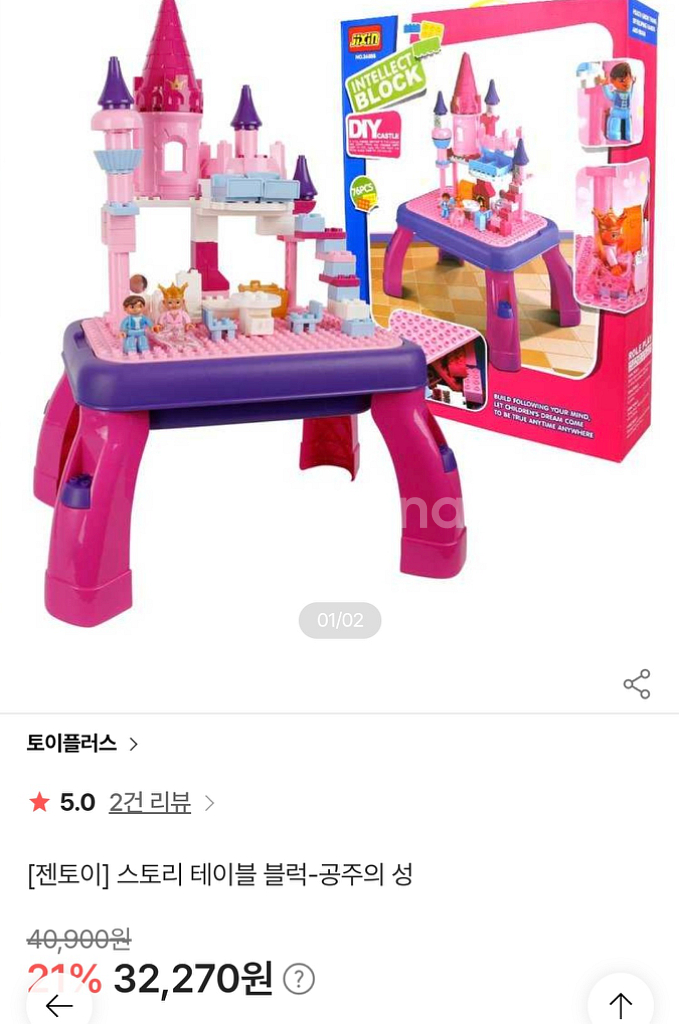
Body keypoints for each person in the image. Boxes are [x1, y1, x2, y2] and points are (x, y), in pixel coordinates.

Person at [599, 62, 635, 143]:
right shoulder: (616, 93)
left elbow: (631, 95)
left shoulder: (628, 92)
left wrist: (633, 84)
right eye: (621, 80)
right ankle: (614, 135)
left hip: (626, 113)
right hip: (617, 113)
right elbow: (609, 96)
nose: (626, 83)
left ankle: (628, 135)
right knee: (614, 124)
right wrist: (605, 85)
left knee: (628, 128)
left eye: (628, 79)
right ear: (612, 80)